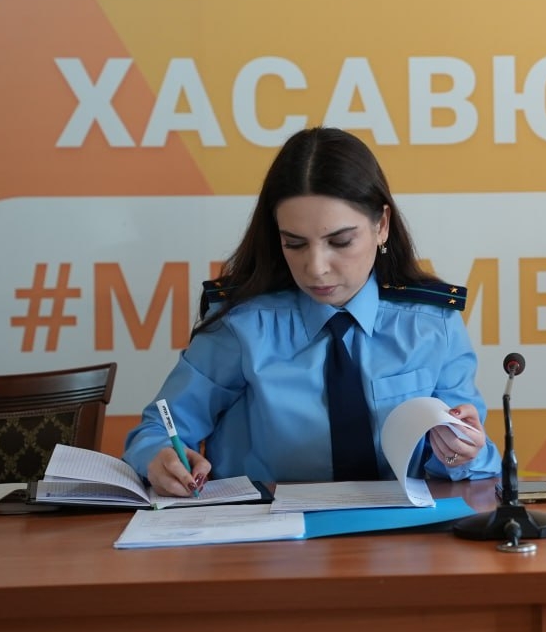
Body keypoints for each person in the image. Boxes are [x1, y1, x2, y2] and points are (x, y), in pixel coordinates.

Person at [123, 127, 500, 496]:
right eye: (295, 244)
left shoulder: (433, 324)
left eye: (341, 241)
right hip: (264, 531)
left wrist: (460, 453)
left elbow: (476, 460)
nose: (316, 268)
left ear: (381, 225)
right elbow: (157, 432)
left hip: (402, 530)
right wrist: (159, 457)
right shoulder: (242, 324)